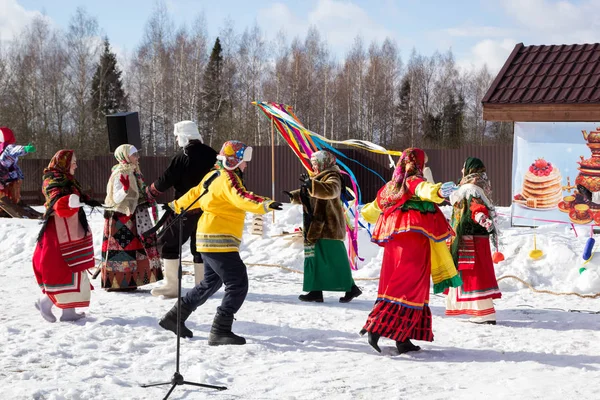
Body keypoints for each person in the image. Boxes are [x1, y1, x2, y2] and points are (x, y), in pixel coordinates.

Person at [158, 140, 283, 346]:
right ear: (234, 161)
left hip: (207, 239)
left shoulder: (212, 176)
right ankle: (220, 330)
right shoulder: (228, 178)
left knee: (210, 282)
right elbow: (241, 197)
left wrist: (174, 205)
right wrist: (265, 203)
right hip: (219, 240)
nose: (246, 165)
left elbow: (193, 194)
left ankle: (174, 317)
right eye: (244, 160)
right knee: (238, 283)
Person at [359, 148, 460, 354]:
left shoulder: (391, 187)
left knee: (396, 282)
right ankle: (376, 328)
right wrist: (439, 191)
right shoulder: (412, 180)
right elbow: (423, 188)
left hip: (395, 240)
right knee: (411, 284)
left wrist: (358, 211)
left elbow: (371, 210)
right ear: (417, 163)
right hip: (413, 238)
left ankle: (402, 338)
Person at [148, 121, 217, 297]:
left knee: (169, 243)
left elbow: (166, 179)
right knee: (199, 246)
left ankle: (172, 287)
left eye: (178, 136)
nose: (177, 139)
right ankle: (203, 286)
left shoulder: (184, 155)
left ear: (185, 135)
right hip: (208, 208)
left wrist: (149, 192)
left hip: (185, 208)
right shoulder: (212, 154)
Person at [32, 150, 101, 322]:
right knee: (62, 269)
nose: (76, 165)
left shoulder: (69, 180)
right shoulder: (51, 180)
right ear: (64, 163)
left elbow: (75, 196)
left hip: (72, 228)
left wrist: (86, 199)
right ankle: (45, 303)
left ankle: (68, 312)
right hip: (57, 232)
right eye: (73, 162)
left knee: (75, 267)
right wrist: (68, 201)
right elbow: (56, 199)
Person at [284, 150, 362, 303]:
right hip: (315, 224)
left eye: (315, 164)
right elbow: (309, 194)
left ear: (324, 163)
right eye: (312, 164)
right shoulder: (316, 177)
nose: (313, 167)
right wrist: (294, 195)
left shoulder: (333, 177)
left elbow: (330, 191)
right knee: (314, 259)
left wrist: (311, 184)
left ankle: (351, 288)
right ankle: (315, 291)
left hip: (329, 226)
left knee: (335, 260)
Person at [445, 157, 502, 325]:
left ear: (469, 169)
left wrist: (481, 217)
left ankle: (485, 314)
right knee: (475, 274)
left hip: (471, 239)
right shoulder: (480, 184)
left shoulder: (470, 187)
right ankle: (481, 312)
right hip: (477, 238)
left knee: (474, 275)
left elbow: (475, 207)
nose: (462, 170)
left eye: (464, 167)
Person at [100, 144, 163, 292]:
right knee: (123, 250)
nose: (138, 157)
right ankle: (119, 282)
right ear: (125, 156)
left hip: (132, 216)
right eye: (134, 154)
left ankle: (132, 281)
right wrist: (125, 189)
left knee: (134, 250)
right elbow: (116, 198)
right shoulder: (120, 173)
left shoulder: (135, 171)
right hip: (121, 217)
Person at [0, 126, 36, 205]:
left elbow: (15, 149)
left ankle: (13, 205)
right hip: (3, 176)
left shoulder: (8, 147)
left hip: (10, 176)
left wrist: (25, 149)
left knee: (12, 195)